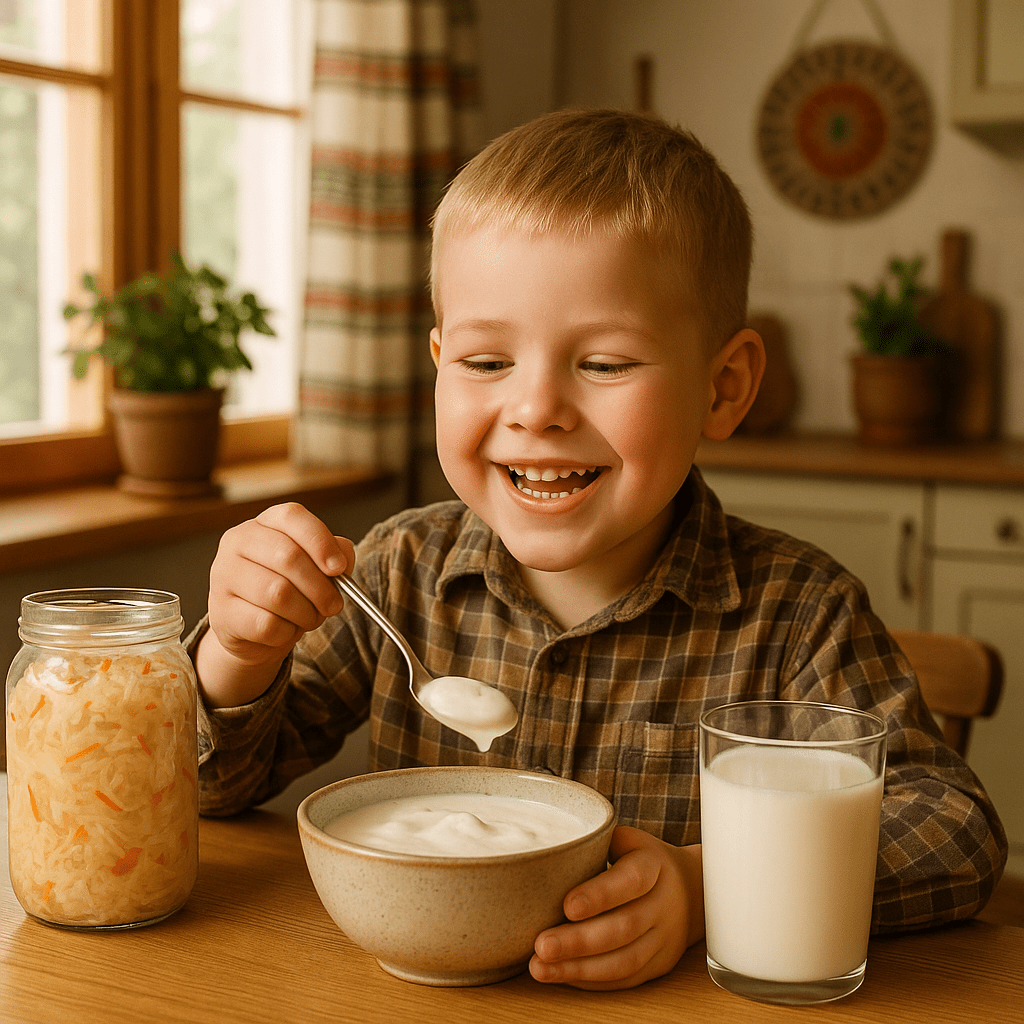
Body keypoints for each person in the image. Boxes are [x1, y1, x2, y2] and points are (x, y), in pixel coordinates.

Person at [191, 108, 1007, 990]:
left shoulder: (798, 614)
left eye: (607, 364)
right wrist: (237, 656)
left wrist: (708, 889)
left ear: (722, 388)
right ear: (437, 364)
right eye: (485, 362)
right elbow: (216, 790)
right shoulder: (394, 574)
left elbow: (953, 831)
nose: (536, 408)